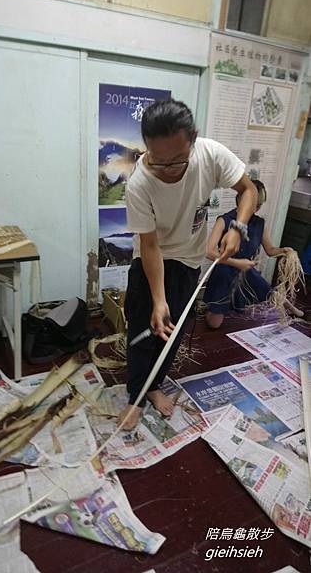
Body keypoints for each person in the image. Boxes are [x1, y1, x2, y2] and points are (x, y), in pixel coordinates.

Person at [118, 98, 258, 429]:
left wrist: (238, 227)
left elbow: (248, 189)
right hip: (151, 261)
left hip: (190, 260)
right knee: (143, 330)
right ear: (147, 148)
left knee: (172, 332)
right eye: (158, 160)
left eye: (177, 160)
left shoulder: (210, 154)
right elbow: (149, 246)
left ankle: (155, 387)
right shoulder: (139, 183)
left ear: (192, 140)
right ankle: (136, 394)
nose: (167, 170)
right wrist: (158, 299)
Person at [204, 179, 304, 329]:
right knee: (214, 325)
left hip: (246, 269)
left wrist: (283, 251)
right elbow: (209, 252)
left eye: (259, 205)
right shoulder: (224, 220)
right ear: (240, 200)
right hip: (225, 269)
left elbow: (270, 250)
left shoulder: (259, 223)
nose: (256, 208)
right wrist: (235, 263)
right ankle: (210, 309)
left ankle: (294, 311)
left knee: (269, 292)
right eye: (253, 204)